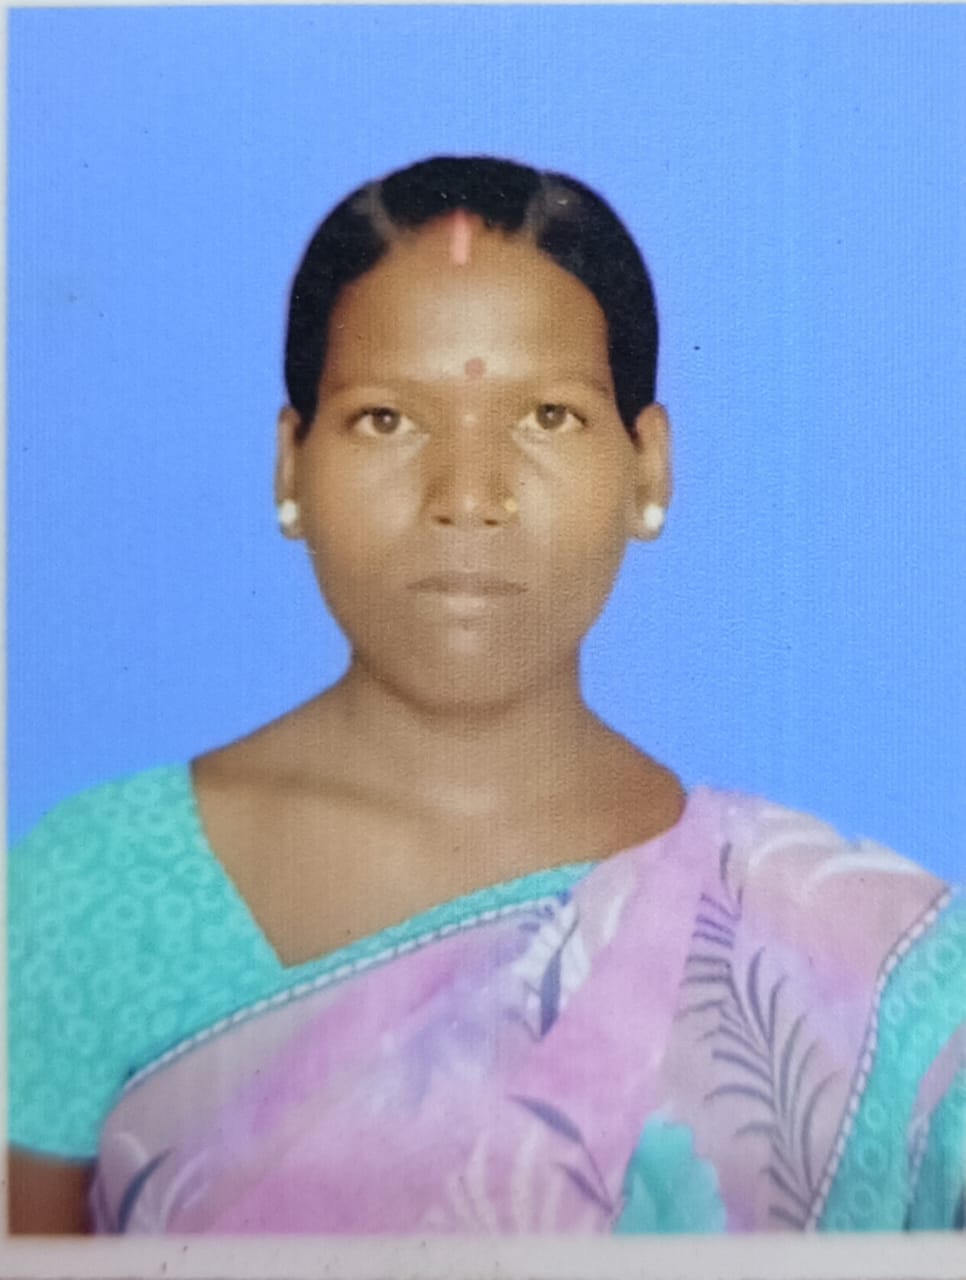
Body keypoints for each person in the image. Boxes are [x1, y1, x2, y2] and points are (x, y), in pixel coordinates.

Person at [8, 156, 964, 1236]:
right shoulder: (90, 888)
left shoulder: (868, 969)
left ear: (648, 468)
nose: (467, 497)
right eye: (385, 419)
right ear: (291, 465)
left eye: (548, 416)